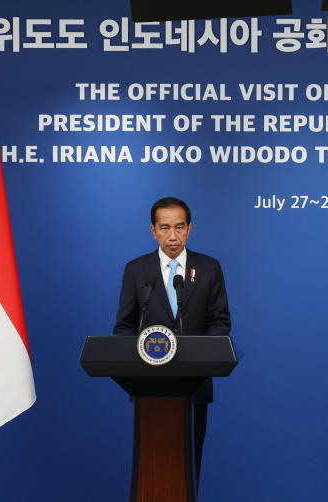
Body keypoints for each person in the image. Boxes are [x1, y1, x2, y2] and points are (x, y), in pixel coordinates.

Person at [113, 196, 231, 480]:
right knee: (152, 468)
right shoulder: (137, 270)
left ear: (189, 229)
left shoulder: (209, 268)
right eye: (164, 228)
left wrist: (198, 357)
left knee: (189, 467)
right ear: (153, 231)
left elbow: (220, 322)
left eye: (179, 227)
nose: (173, 236)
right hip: (148, 386)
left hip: (195, 386)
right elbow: (123, 328)